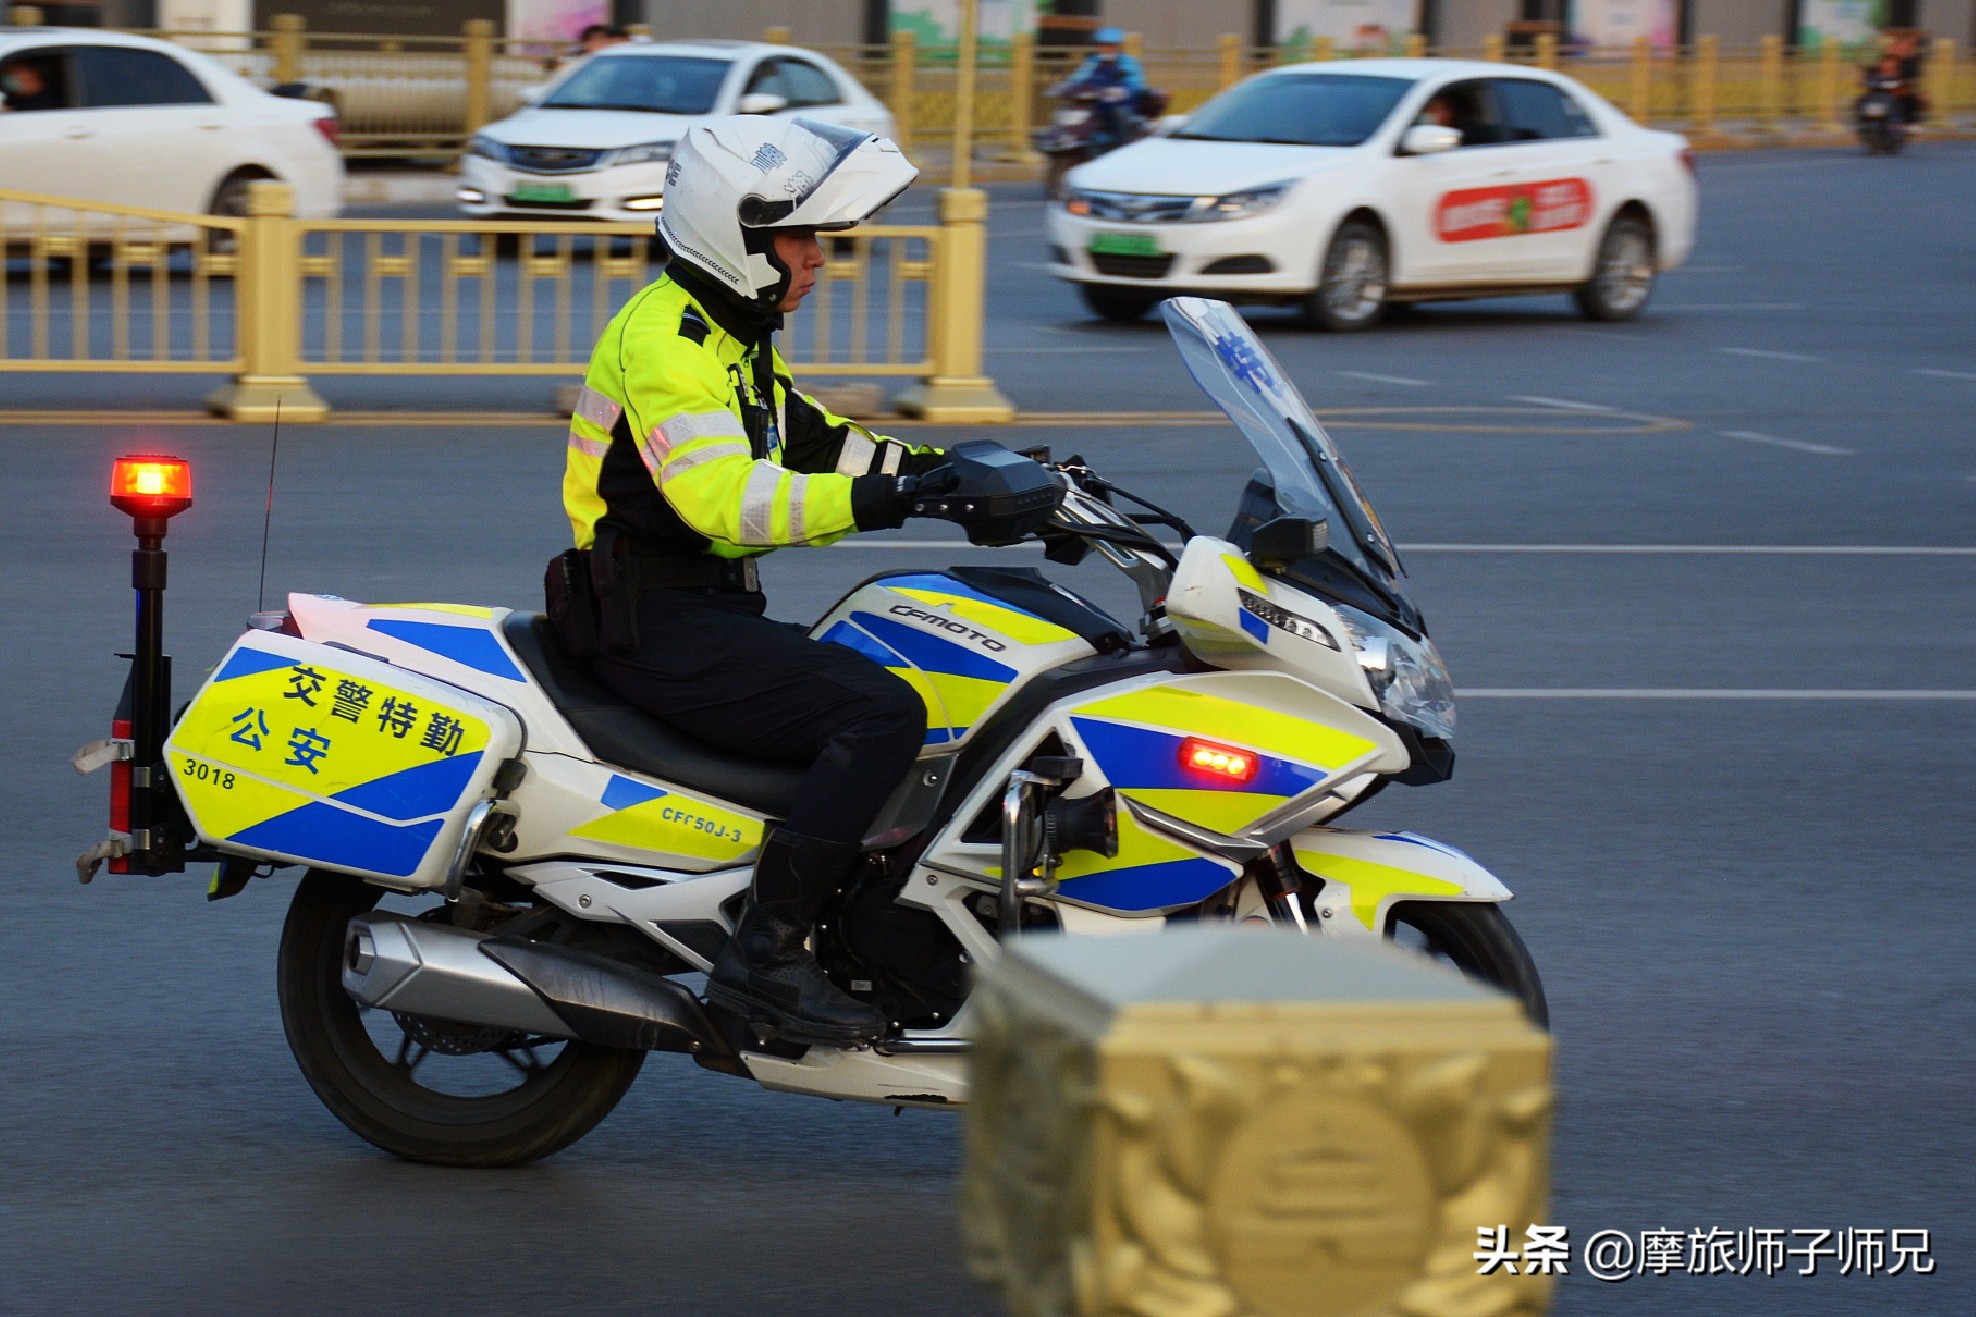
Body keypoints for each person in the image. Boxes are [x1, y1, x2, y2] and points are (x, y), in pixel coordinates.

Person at [560, 117, 959, 1047]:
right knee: (881, 714)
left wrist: (966, 473)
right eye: (800, 237)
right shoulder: (667, 340)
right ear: (739, 236)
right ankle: (765, 960)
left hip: (698, 606)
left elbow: (819, 439)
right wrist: (892, 500)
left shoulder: (733, 335)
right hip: (653, 618)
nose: (818, 259)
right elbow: (725, 500)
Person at [1060, 26, 1149, 149]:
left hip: (1120, 107)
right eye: (1102, 45)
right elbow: (1078, 78)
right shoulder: (1092, 62)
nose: (1106, 49)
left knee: (1120, 114)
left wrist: (1122, 91)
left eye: (1110, 46)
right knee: (1069, 112)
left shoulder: (1128, 63)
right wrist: (1065, 86)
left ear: (1118, 47)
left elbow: (1137, 85)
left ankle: (1122, 150)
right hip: (1096, 107)